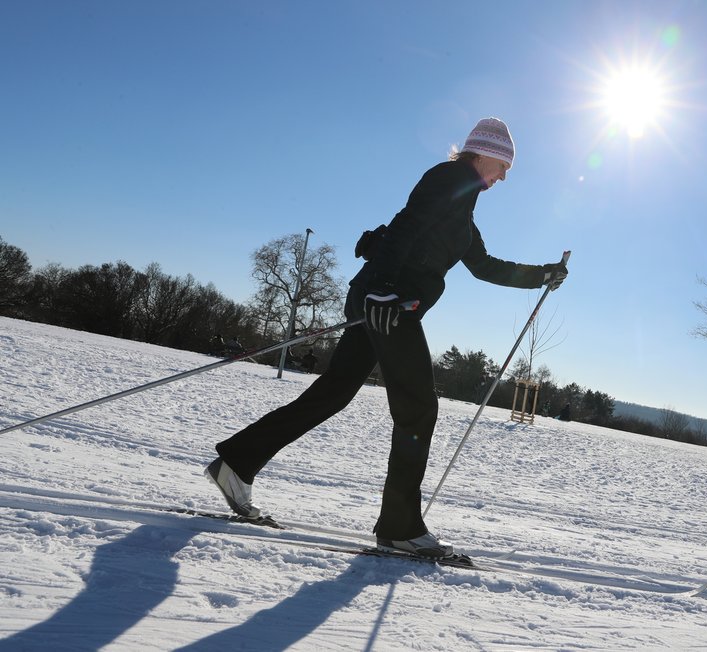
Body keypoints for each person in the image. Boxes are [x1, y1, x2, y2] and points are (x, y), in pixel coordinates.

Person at [204, 117, 568, 559]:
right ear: (482, 153)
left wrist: (542, 276)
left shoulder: (464, 212)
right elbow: (407, 226)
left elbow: (485, 265)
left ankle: (236, 463)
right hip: (389, 305)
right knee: (418, 408)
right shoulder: (450, 177)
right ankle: (399, 526)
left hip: (381, 301)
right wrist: (383, 289)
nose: (505, 176)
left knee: (333, 393)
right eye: (503, 164)